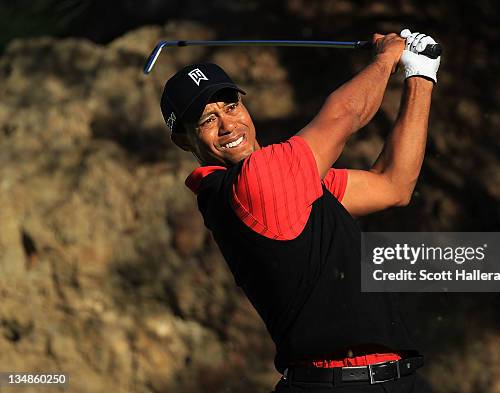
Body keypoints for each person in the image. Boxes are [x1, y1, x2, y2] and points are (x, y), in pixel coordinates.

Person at [160, 29, 440, 393]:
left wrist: (421, 76)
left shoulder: (288, 183)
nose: (229, 124)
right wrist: (388, 57)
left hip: (398, 379)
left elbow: (392, 185)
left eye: (231, 107)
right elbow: (346, 114)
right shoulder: (257, 182)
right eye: (207, 120)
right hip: (335, 385)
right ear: (184, 140)